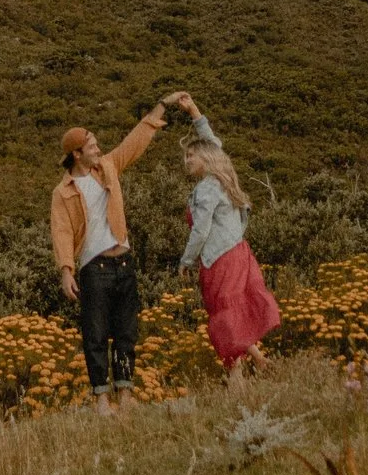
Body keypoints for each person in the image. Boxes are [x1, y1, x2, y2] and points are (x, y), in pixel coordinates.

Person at [49, 98, 171, 414]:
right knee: (96, 334)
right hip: (94, 268)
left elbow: (135, 142)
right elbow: (61, 231)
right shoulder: (63, 192)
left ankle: (126, 398)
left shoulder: (109, 167)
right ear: (77, 154)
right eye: (91, 145)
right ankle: (103, 401)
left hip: (124, 261)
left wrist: (161, 107)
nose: (97, 148)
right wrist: (66, 270)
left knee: (126, 332)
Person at [165, 91, 280, 380]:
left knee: (225, 317)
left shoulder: (206, 188)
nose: (186, 161)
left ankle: (236, 379)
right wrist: (193, 111)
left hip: (219, 260)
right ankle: (260, 361)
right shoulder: (222, 174)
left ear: (205, 158)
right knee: (234, 312)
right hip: (240, 252)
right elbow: (213, 141)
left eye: (191, 156)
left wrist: (186, 261)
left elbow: (201, 230)